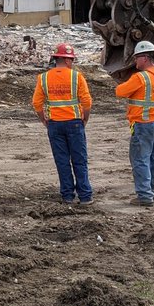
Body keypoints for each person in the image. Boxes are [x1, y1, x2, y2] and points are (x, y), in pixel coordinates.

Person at [32, 43, 93, 205]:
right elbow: (86, 101)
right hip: (74, 123)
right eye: (71, 60)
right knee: (79, 160)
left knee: (62, 161)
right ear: (66, 60)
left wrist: (44, 120)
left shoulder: (43, 78)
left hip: (54, 125)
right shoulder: (76, 76)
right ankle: (85, 196)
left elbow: (36, 103)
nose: (72, 62)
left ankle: (67, 196)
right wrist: (85, 118)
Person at [115, 40, 154, 207]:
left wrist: (125, 79)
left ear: (145, 58)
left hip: (144, 124)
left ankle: (145, 197)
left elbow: (120, 92)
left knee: (141, 160)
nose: (135, 61)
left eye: (137, 58)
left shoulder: (140, 78)